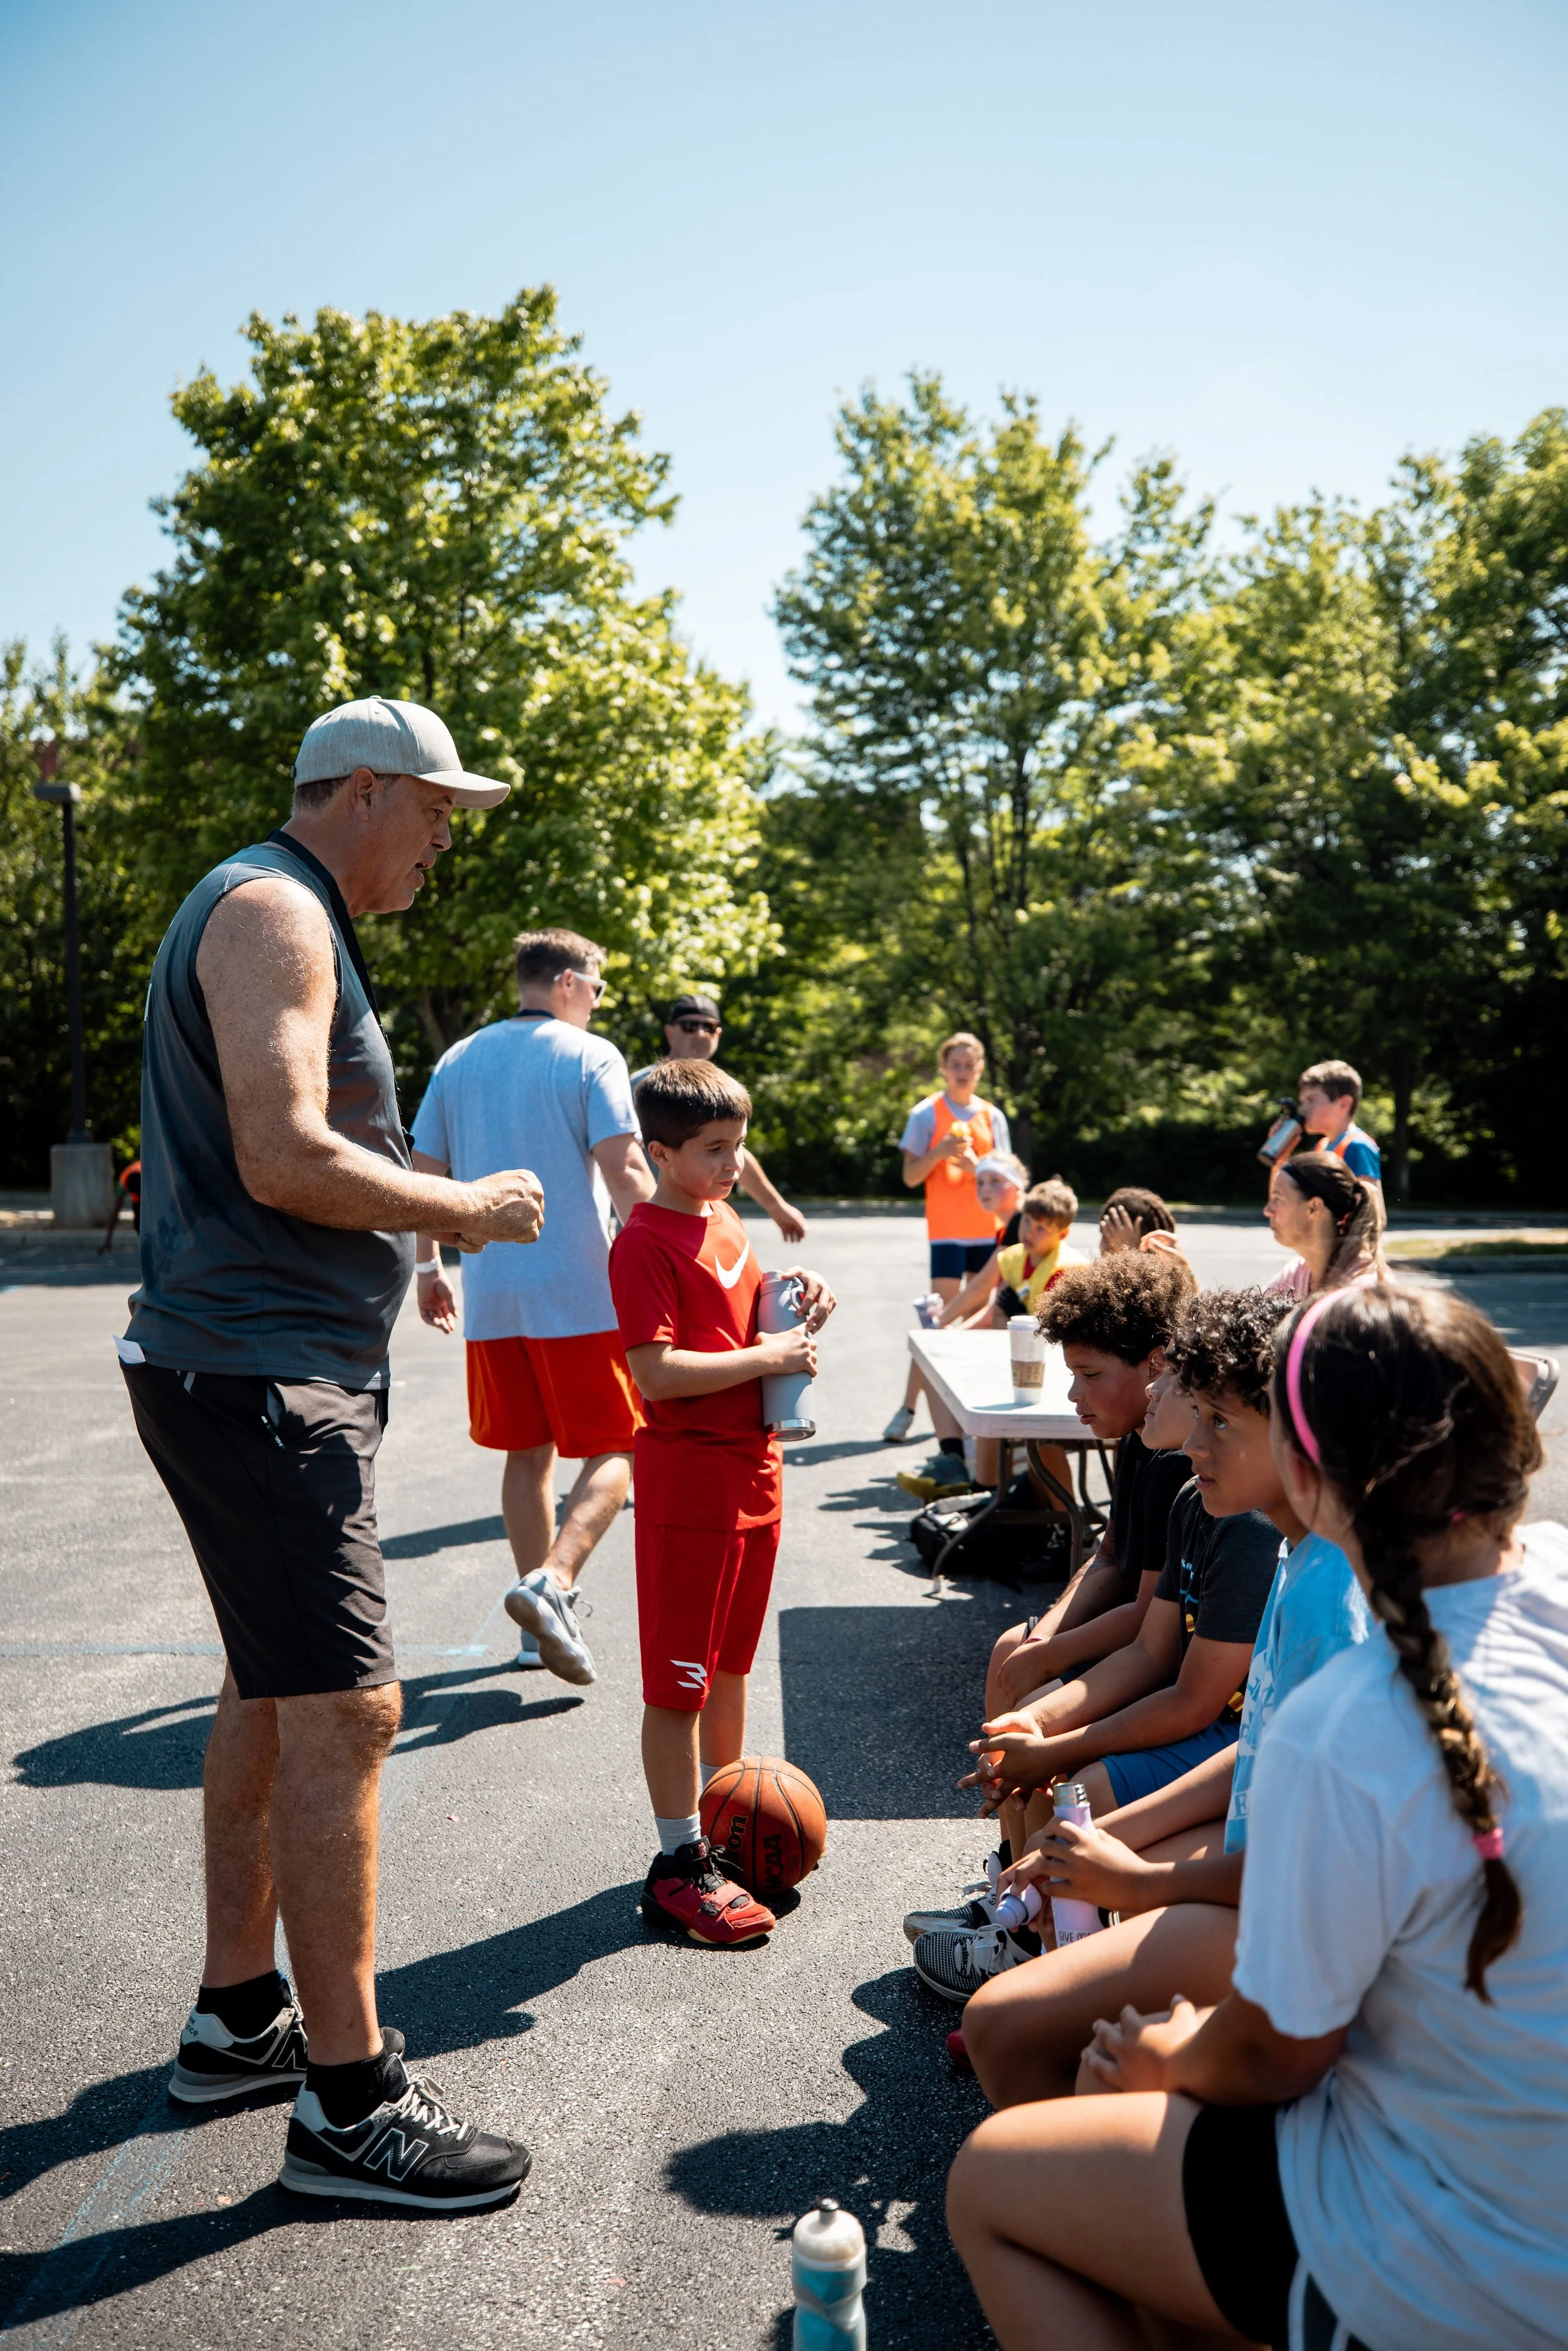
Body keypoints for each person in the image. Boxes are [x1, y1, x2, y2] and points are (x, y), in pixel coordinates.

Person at [947, 1283, 1568, 2351]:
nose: (1204, 1430)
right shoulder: (1544, 1588)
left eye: (1236, 1414)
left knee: (990, 2185)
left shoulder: (1357, 1717)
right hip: (1523, 2192)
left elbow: (1282, 2054)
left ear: (1311, 1462)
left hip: (1461, 2260)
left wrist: (1174, 2056)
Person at [118, 694, 538, 2210]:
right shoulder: (276, 911)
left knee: (270, 1687)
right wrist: (462, 1211)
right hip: (261, 1382)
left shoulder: (278, 905)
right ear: (360, 790)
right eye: (433, 809)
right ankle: (349, 2104)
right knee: (353, 1711)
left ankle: (241, 2016)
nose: (443, 839)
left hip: (242, 1369)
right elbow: (285, 1149)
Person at [920, 1292, 1290, 2005]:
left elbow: (1195, 1701)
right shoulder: (1195, 1496)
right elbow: (1150, 1648)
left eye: (1196, 1397)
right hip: (1210, 1731)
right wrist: (1039, 1724)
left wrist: (1058, 1744)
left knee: (1073, 1790)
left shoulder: (1246, 1528)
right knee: (1036, 1757)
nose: (1155, 1392)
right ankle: (1030, 1940)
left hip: (1217, 1734)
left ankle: (1044, 1964)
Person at [608, 1058, 837, 1947]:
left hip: (756, 1475)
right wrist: (770, 1360)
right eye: (713, 1151)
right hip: (689, 1484)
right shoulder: (644, 1241)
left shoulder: (728, 1219)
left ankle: (726, 1835)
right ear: (660, 1153)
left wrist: (802, 1304)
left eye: (739, 1146)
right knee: (679, 1684)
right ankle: (677, 1864)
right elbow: (656, 1372)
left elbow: (748, 1333)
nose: (732, 1164)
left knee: (732, 1669)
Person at [410, 928, 654, 1685]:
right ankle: (554, 1580)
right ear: (569, 983)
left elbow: (423, 1171)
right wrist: (678, 1256)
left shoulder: (459, 1058)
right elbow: (628, 1170)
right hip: (581, 1289)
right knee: (620, 1445)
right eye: (599, 987)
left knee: (529, 1452)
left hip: (493, 1293)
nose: (598, 1002)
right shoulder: (591, 1055)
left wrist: (428, 1265)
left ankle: (534, 1618)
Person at [898, 1172, 1079, 1505]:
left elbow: (1053, 1336)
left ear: (1062, 1234)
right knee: (938, 1362)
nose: (1030, 1232)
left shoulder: (1066, 1269)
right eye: (1027, 1222)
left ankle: (994, 1498)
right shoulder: (1014, 1256)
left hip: (1054, 1374)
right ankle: (967, 1476)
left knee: (998, 1404)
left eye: (1042, 1228)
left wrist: (1012, 1315)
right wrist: (940, 1331)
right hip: (1015, 1359)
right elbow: (979, 1293)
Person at [884, 1032, 1012, 1443]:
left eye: (968, 1065)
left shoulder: (993, 1117)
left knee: (986, 1323)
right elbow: (908, 1176)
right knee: (940, 1323)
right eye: (954, 1064)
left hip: (988, 1233)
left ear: (979, 1070)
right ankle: (907, 1409)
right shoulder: (925, 1114)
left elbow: (1007, 1178)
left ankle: (972, 1411)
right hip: (947, 1235)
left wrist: (977, 1166)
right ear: (943, 1068)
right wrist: (939, 1153)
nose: (961, 1072)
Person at [630, 992, 806, 1243]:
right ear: (670, 1032)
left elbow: (732, 1152)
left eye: (709, 1026)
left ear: (718, 1035)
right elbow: (620, 1161)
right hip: (654, 1228)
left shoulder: (720, 1089)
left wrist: (776, 1206)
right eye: (690, 1026)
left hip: (703, 1222)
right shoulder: (640, 1087)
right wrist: (644, 1229)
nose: (700, 1033)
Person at [1264, 1146, 1385, 1299]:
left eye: (1278, 1199)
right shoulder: (1296, 1275)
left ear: (1314, 1208)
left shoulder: (1360, 1292)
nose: (1268, 1210)